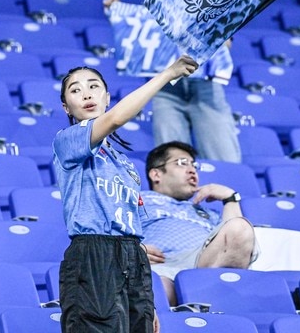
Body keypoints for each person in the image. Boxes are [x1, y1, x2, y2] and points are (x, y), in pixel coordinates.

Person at [54, 55, 199, 332]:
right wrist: (167, 74)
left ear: (106, 97)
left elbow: (130, 223)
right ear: (66, 107)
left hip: (133, 260)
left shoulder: (125, 165)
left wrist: (144, 295)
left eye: (94, 86)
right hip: (92, 255)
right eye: (75, 90)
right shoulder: (67, 140)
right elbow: (117, 118)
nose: (86, 93)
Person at [104, 0, 241, 163]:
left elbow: (225, 44)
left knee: (223, 158)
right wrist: (117, 11)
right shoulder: (152, 8)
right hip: (167, 90)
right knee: (171, 162)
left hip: (205, 89)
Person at [140, 141, 258, 306]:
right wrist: (131, 250)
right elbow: (107, 231)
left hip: (204, 267)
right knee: (157, 290)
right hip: (162, 265)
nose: (192, 170)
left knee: (240, 228)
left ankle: (202, 303)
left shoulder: (208, 213)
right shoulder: (137, 199)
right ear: (156, 174)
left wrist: (229, 199)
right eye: (181, 163)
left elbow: (239, 244)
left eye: (194, 165)